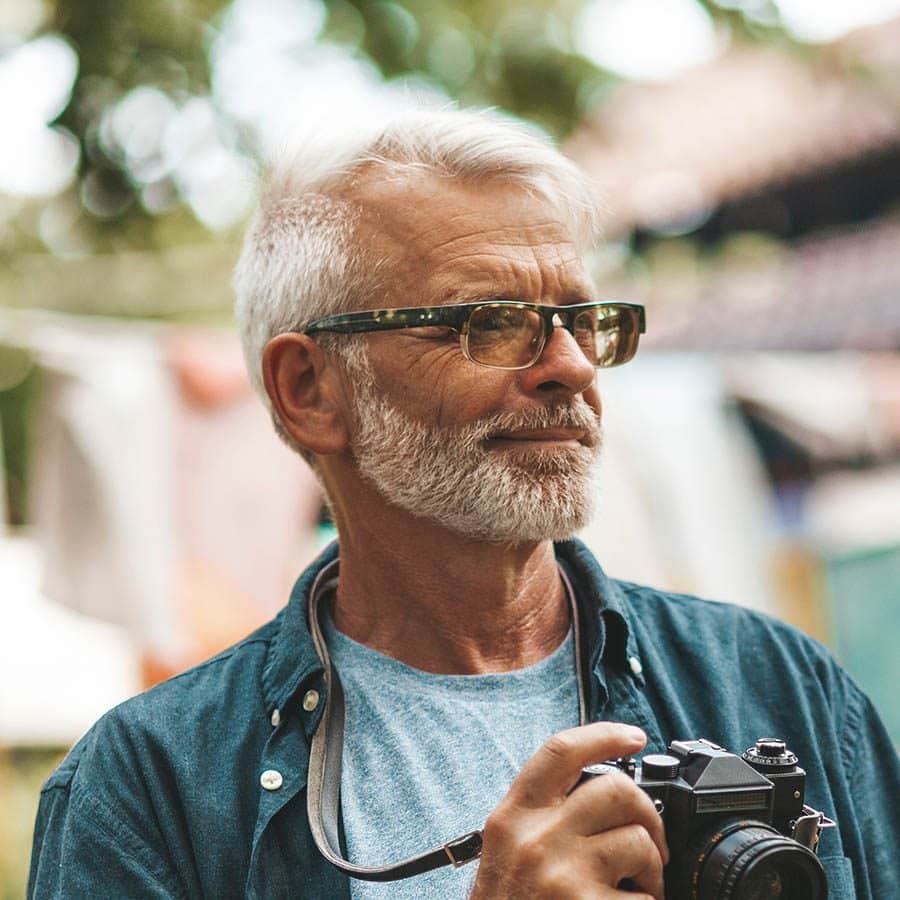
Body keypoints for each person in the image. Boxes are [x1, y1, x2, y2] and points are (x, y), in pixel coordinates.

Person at [28, 106, 898, 900]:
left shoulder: (788, 687)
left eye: (581, 319)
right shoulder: (146, 789)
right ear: (310, 390)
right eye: (491, 323)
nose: (573, 367)